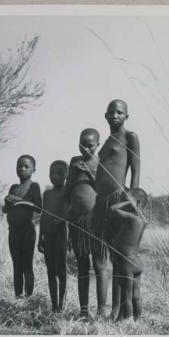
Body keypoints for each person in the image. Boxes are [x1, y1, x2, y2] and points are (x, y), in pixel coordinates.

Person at [91, 99, 140, 318]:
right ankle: (103, 311)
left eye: (120, 112)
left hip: (118, 200)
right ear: (105, 115)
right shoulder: (105, 141)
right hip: (100, 202)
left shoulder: (130, 137)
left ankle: (118, 311)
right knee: (101, 258)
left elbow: (136, 172)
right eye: (111, 112)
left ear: (127, 116)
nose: (115, 115)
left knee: (120, 259)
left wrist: (132, 201)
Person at [64, 128, 100, 318]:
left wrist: (90, 173)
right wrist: (75, 173)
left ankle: (102, 311)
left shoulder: (99, 161)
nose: (85, 148)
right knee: (82, 265)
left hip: (95, 221)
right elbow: (67, 190)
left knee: (100, 264)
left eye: (90, 145)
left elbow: (103, 189)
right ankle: (84, 310)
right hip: (76, 220)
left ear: (98, 145)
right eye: (82, 143)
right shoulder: (74, 161)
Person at [3, 155, 42, 298]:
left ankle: (28, 297)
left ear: (34, 169)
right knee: (16, 266)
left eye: (26, 166)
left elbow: (39, 208)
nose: (22, 169)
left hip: (27, 232)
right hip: (13, 232)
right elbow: (5, 210)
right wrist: (7, 202)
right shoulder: (13, 187)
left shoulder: (34, 186)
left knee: (27, 265)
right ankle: (18, 297)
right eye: (19, 166)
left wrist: (20, 201)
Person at [109, 188, 148, 321]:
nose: (124, 201)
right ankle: (138, 320)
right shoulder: (143, 221)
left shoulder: (132, 218)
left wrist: (127, 203)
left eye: (126, 199)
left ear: (136, 203)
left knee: (127, 295)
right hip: (136, 261)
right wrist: (131, 202)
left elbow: (113, 209)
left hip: (127, 262)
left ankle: (129, 321)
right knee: (136, 295)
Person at [38, 160, 69, 312]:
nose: (55, 176)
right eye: (52, 173)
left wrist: (63, 220)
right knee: (50, 270)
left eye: (59, 173)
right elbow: (43, 215)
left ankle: (61, 306)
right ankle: (54, 305)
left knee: (61, 270)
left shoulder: (68, 192)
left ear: (66, 175)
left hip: (62, 234)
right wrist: (40, 238)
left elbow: (72, 213)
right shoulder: (47, 194)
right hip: (48, 235)